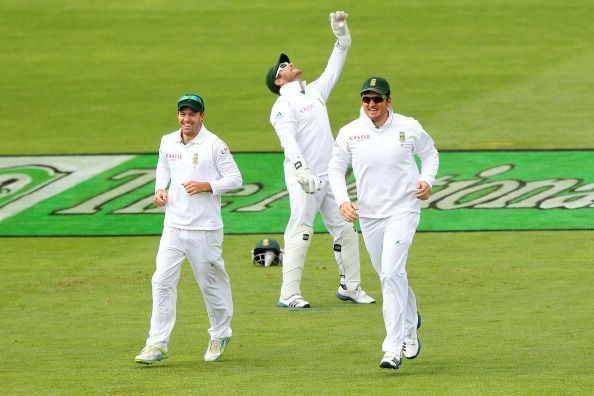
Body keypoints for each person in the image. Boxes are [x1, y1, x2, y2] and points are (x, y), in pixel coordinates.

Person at [327, 77, 439, 370]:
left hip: (404, 210)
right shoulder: (351, 132)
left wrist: (426, 181)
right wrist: (342, 201)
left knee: (390, 273)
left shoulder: (408, 126)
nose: (371, 105)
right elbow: (335, 169)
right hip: (370, 215)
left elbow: (430, 154)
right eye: (366, 100)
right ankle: (411, 320)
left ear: (389, 101)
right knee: (390, 275)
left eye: (377, 99)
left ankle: (392, 347)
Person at [265, 11, 374, 308]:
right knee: (300, 228)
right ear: (278, 79)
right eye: (283, 65)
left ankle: (350, 286)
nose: (289, 63)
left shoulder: (314, 92)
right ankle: (289, 294)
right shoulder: (282, 105)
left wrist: (341, 35)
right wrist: (302, 171)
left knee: (346, 226)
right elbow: (288, 141)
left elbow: (336, 63)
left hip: (329, 175)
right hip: (305, 177)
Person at [135, 94, 243, 364]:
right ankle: (156, 344)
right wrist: (159, 189)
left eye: (192, 114)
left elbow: (236, 179)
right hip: (173, 225)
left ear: (202, 116)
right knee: (161, 280)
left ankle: (220, 333)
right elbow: (164, 165)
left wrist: (208, 186)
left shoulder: (214, 145)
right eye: (182, 113)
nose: (187, 119)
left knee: (211, 284)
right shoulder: (167, 141)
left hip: (205, 228)